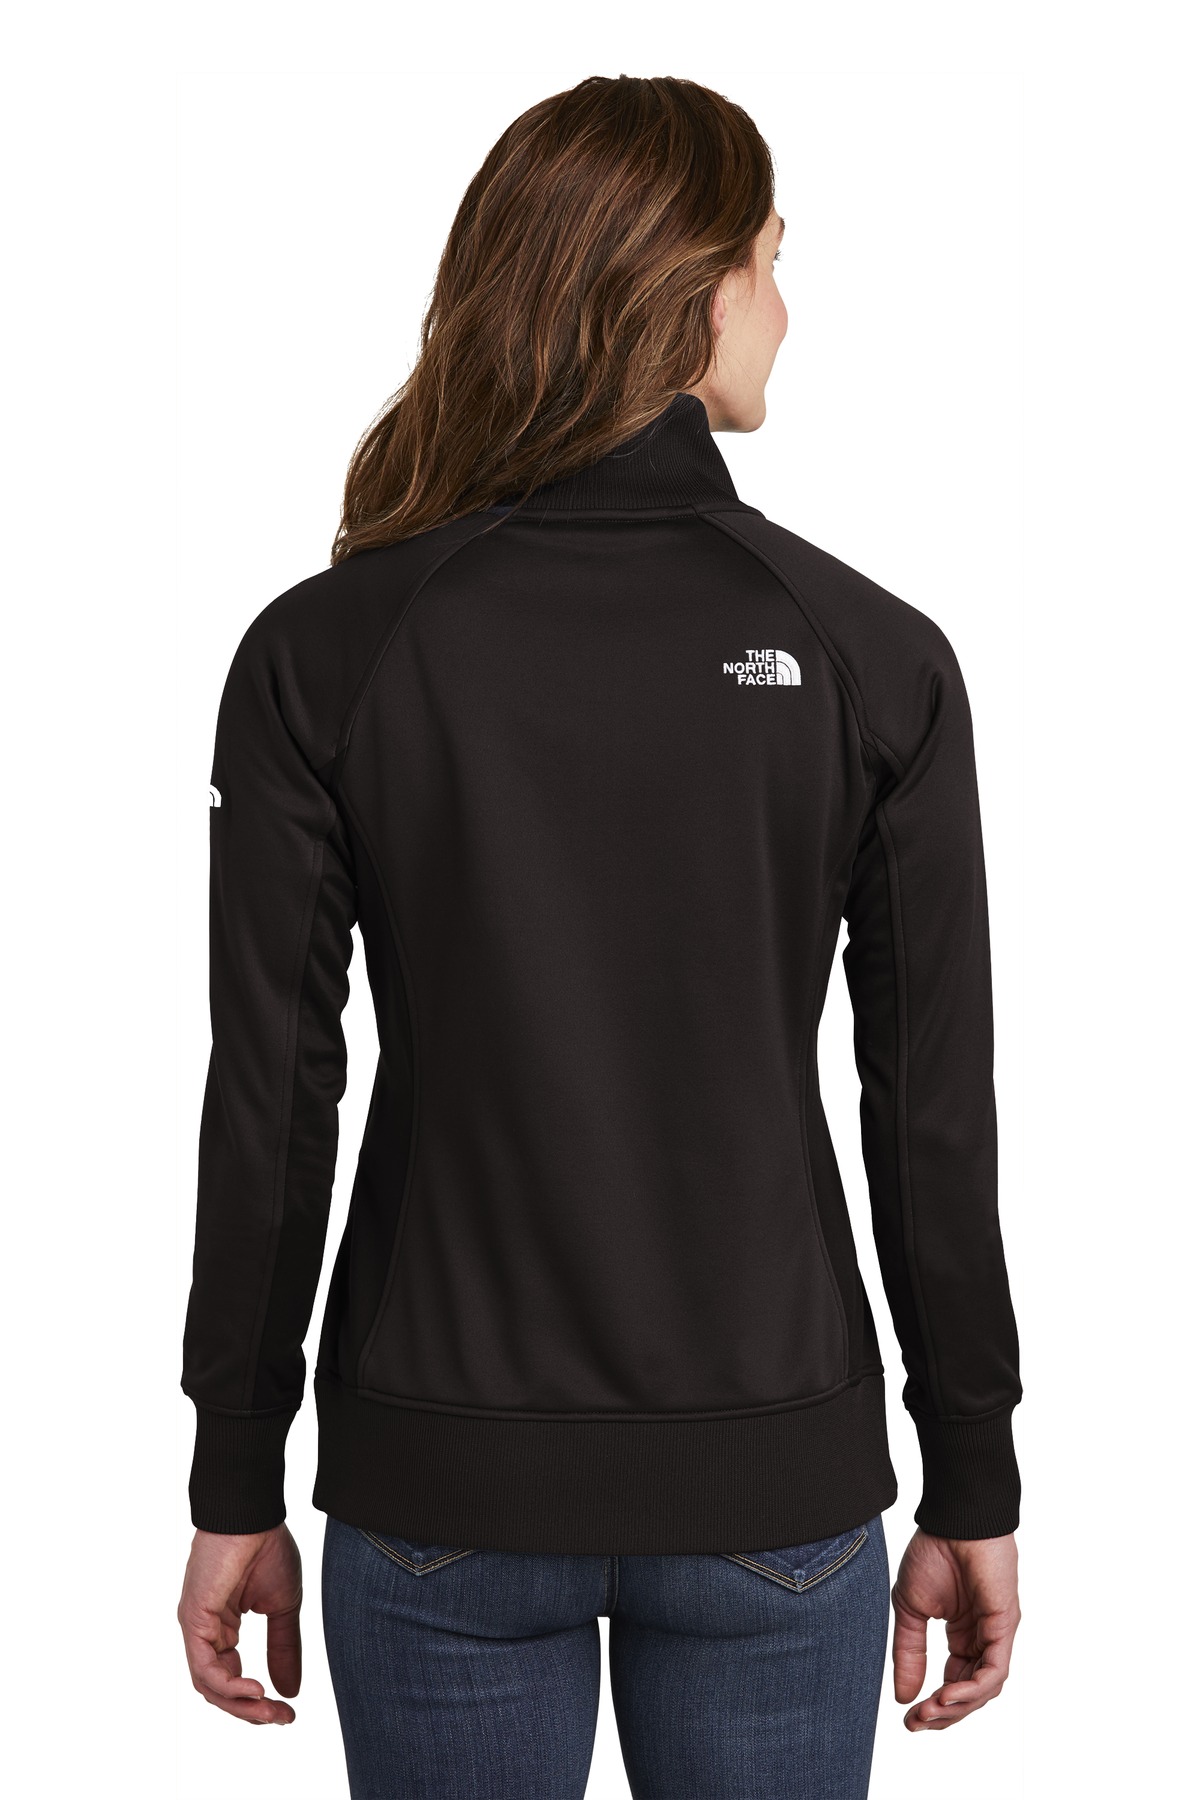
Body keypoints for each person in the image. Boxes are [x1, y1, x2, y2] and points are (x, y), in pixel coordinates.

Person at [178, 73, 1022, 1800]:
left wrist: (234, 1478)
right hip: (775, 1497)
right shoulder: (871, 656)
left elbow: (270, 1107)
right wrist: (974, 1478)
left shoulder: (328, 652)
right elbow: (932, 1117)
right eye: (772, 259)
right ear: (690, 286)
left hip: (438, 1494)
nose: (785, 307)